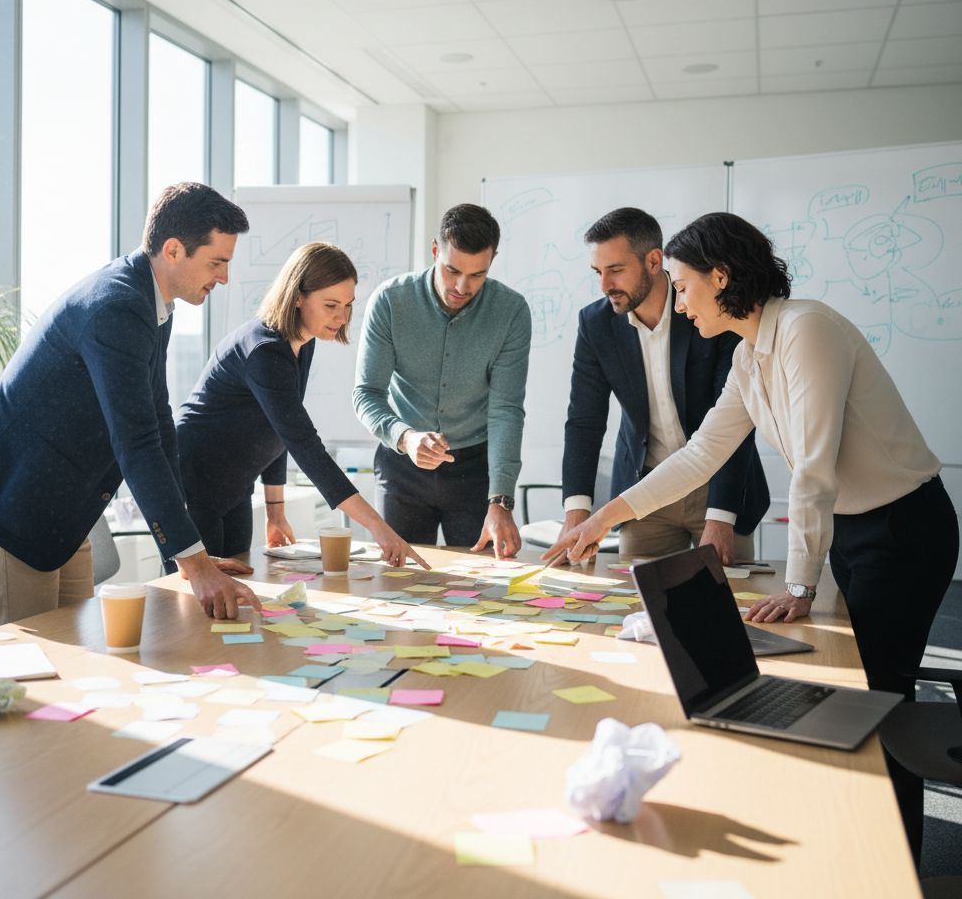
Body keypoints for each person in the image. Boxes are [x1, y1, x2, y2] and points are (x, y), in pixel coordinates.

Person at [544, 211, 958, 861]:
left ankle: (892, 857)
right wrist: (605, 516)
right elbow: (698, 457)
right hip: (856, 530)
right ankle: (873, 842)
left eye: (683, 287)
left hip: (904, 526)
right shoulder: (749, 356)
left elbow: (814, 467)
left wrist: (799, 582)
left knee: (881, 701)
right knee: (867, 690)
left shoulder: (806, 330)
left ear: (722, 276)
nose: (679, 305)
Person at [0, 182, 263, 628]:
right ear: (173, 250)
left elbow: (157, 422)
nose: (224, 278)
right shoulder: (118, 305)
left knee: (76, 661)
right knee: (25, 676)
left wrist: (190, 555)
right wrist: (195, 565)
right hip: (9, 505)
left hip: (62, 509)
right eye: (217, 262)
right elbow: (137, 442)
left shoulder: (153, 304)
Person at [175, 242, 429, 570]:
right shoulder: (265, 351)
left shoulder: (301, 344)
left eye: (348, 305)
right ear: (297, 297)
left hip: (235, 484)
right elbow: (305, 447)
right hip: (194, 481)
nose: (342, 316)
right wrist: (381, 529)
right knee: (199, 597)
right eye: (331, 305)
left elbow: (277, 429)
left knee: (238, 584)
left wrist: (276, 513)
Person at [559, 207, 768, 562]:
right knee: (636, 605)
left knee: (729, 603)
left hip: (718, 487)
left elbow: (736, 420)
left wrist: (720, 516)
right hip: (643, 491)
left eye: (616, 270)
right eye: (598, 272)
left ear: (654, 261)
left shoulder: (708, 309)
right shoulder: (596, 324)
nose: (604, 285)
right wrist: (577, 513)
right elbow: (585, 420)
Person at [353, 204, 532, 557]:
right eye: (452, 270)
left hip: (474, 473)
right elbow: (367, 394)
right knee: (397, 581)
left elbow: (506, 410)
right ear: (435, 251)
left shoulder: (511, 312)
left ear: (492, 261)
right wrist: (406, 437)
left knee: (479, 587)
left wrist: (501, 501)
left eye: (477, 275)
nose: (462, 287)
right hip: (402, 466)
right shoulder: (390, 301)